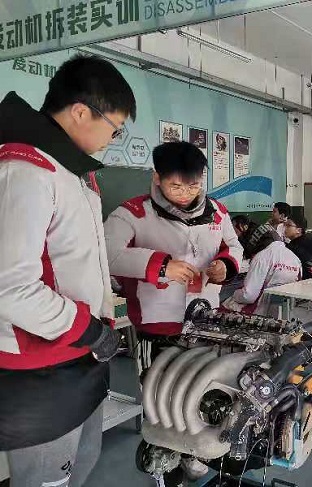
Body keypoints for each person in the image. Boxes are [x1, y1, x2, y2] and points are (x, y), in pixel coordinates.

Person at [0, 55, 135, 487]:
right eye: (114, 127)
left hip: (78, 356)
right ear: (80, 111)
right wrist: (87, 328)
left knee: (82, 464)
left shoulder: (72, 172)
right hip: (41, 369)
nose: (113, 139)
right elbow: (10, 287)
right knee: (47, 480)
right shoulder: (25, 169)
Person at [105, 141, 243, 358]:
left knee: (206, 377)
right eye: (176, 187)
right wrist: (161, 267)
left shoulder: (218, 212)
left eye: (193, 186)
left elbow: (233, 246)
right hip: (157, 323)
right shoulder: (131, 214)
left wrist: (226, 265)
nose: (185, 194)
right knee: (158, 378)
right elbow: (107, 255)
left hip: (206, 319)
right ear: (157, 178)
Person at [223, 223, 302, 315]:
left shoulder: (261, 257)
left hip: (263, 312)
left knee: (225, 304)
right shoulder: (295, 258)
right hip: (287, 311)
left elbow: (248, 296)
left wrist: (234, 294)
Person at [285, 214, 312, 279]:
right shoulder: (309, 241)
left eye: (288, 225)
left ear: (298, 230)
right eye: (285, 225)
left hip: (303, 283)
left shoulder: (295, 248)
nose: (285, 228)